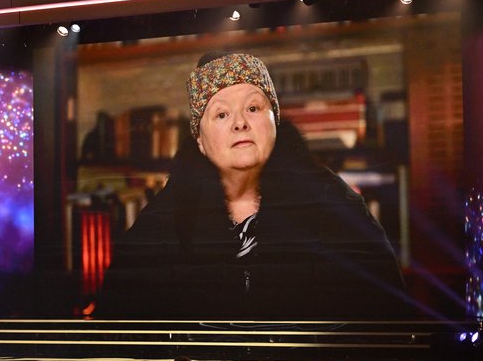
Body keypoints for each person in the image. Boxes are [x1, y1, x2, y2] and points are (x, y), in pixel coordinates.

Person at [97, 52, 405, 320]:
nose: (240, 123)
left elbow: (388, 317)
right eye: (221, 114)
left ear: (275, 122)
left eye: (253, 109)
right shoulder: (163, 223)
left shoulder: (334, 205)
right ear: (200, 141)